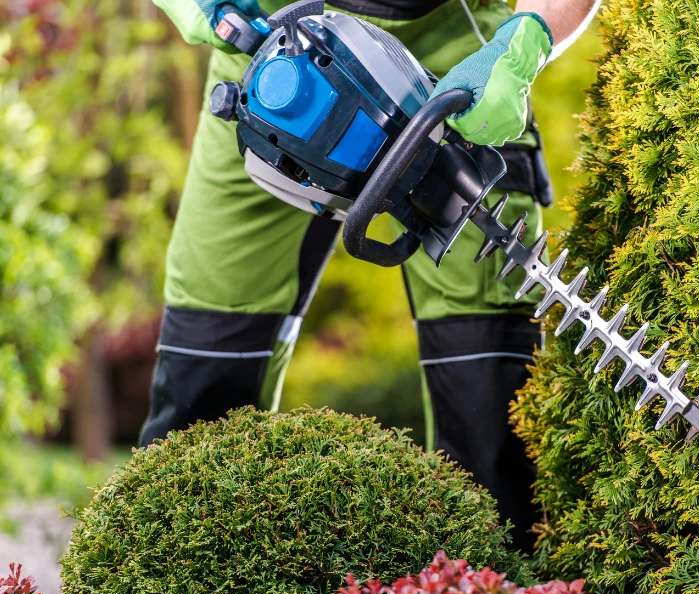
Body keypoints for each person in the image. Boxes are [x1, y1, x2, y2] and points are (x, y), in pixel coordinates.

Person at [140, 0, 601, 551]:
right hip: (272, 57)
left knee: (492, 412)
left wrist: (526, 40)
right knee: (201, 373)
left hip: (453, 49)